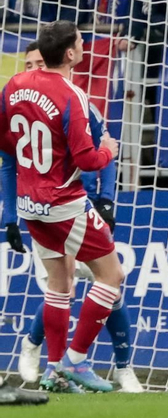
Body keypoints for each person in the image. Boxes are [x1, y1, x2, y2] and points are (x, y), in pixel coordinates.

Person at [9, 41, 140, 393]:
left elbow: (8, 159)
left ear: (47, 60)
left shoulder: (14, 91)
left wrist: (107, 203)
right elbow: (96, 155)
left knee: (64, 282)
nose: (33, 68)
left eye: (37, 62)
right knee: (108, 276)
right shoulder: (66, 96)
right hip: (64, 202)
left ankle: (64, 369)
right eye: (28, 63)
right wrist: (109, 153)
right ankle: (72, 360)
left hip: (40, 206)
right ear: (69, 54)